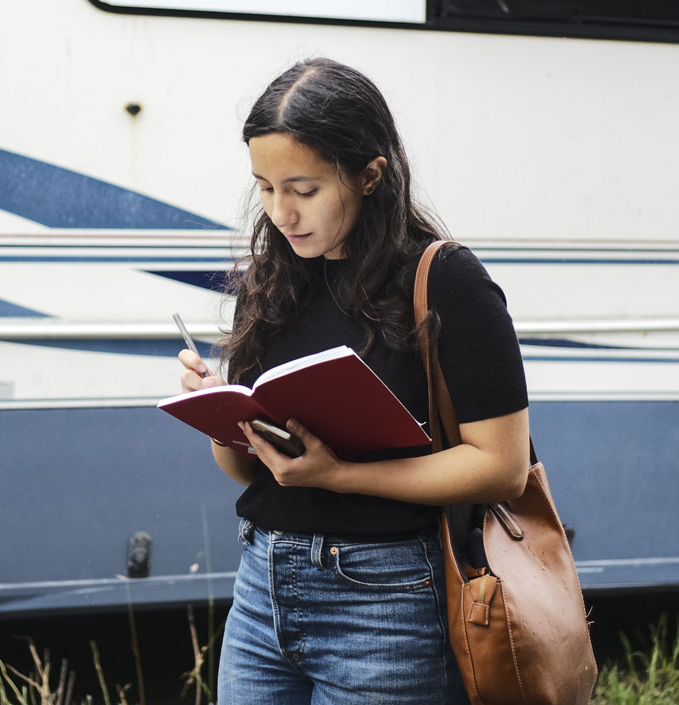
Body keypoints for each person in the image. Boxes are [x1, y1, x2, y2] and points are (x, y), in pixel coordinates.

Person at [174, 58, 533, 704]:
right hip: (261, 588)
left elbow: (502, 468)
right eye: (264, 186)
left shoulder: (448, 281)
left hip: (384, 601)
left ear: (371, 174)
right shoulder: (273, 278)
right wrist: (221, 418)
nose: (281, 212)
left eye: (303, 189)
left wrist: (339, 474)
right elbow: (249, 472)